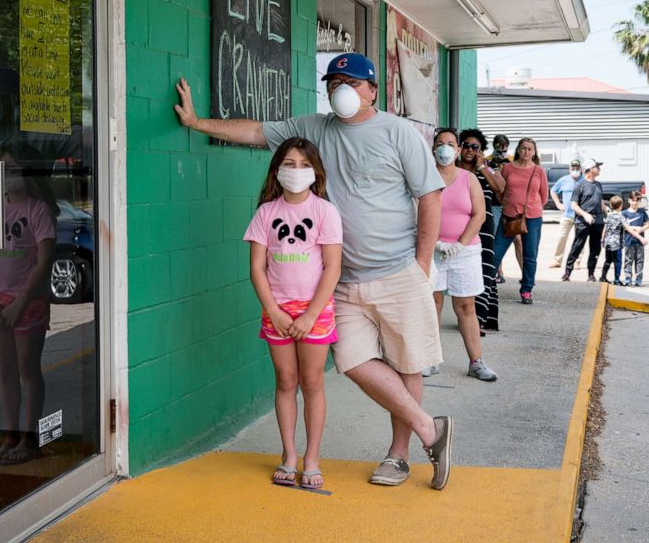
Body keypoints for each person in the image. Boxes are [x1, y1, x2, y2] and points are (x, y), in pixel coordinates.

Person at [174, 52, 454, 490]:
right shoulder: (313, 129)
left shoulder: (398, 132)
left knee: (408, 363)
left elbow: (430, 197)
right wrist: (196, 123)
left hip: (398, 270)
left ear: (373, 90)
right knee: (351, 361)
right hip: (340, 281)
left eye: (353, 82)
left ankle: (399, 456)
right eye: (334, 81)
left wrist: (421, 266)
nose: (342, 89)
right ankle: (429, 427)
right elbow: (254, 131)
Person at [243, 137, 343, 490]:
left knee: (312, 381)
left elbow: (332, 268)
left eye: (303, 165)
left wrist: (310, 316)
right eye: (289, 163)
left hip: (314, 311)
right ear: (277, 170)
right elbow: (257, 267)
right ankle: (289, 455)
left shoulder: (325, 212)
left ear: (315, 172)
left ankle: (312, 459)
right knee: (286, 381)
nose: (296, 171)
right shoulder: (266, 213)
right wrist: (273, 310)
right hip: (277, 310)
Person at [0, 145, 56, 465]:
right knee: (5, 371)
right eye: (3, 169)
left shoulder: (37, 210)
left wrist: (20, 304)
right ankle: (10, 435)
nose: (9, 176)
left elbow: (43, 262)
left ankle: (30, 440)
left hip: (28, 301)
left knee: (27, 368)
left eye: (14, 168)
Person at [425, 128, 497, 381]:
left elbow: (479, 214)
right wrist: (432, 242)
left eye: (450, 144)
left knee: (466, 307)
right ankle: (429, 360)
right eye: (440, 143)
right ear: (433, 148)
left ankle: (476, 361)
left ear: (457, 150)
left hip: (464, 252)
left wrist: (460, 244)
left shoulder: (468, 179)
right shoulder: (424, 177)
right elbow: (414, 211)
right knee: (431, 304)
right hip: (431, 250)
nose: (445, 148)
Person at [457, 128, 505, 332]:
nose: (469, 149)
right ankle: (468, 315)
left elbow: (500, 188)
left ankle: (479, 318)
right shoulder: (453, 168)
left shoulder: (488, 168)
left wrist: (481, 167)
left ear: (481, 150)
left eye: (474, 147)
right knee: (464, 271)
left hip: (484, 226)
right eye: (466, 145)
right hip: (459, 226)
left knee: (485, 269)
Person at [493, 138, 548, 304]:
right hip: (509, 216)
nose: (526, 152)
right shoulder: (508, 168)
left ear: (534, 152)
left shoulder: (538, 171)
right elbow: (500, 191)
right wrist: (509, 203)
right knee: (496, 252)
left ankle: (526, 290)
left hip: (532, 218)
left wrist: (531, 207)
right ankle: (485, 285)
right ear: (518, 150)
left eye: (530, 149)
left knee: (530, 255)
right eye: (523, 148)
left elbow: (543, 196)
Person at [563, 159, 605, 283]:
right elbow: (574, 205)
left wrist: (606, 210)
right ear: (589, 169)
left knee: (595, 248)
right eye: (597, 166)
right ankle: (567, 273)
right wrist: (585, 215)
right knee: (577, 246)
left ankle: (591, 274)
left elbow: (600, 200)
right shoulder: (579, 185)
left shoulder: (598, 184)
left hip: (597, 222)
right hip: (583, 221)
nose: (599, 169)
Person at [488, 135, 522, 283]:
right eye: (499, 146)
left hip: (510, 204)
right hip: (494, 203)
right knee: (495, 238)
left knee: (517, 238)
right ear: (494, 145)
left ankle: (525, 274)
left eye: (504, 146)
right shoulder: (488, 160)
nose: (501, 149)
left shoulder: (512, 160)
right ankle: (498, 272)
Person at [550, 159, 584, 269]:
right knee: (562, 237)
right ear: (569, 169)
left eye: (577, 168)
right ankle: (557, 260)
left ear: (581, 169)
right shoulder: (563, 180)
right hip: (567, 216)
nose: (575, 170)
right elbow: (553, 191)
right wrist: (558, 204)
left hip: (580, 216)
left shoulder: (584, 180)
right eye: (573, 168)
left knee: (579, 239)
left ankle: (577, 261)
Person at [621, 191, 649, 287]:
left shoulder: (642, 212)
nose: (635, 202)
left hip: (639, 242)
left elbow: (648, 224)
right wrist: (635, 229)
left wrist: (641, 229)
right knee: (628, 260)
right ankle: (628, 279)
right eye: (633, 200)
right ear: (629, 200)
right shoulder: (624, 213)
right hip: (628, 241)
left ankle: (638, 279)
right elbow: (626, 227)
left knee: (639, 260)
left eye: (637, 200)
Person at [600, 196, 625, 284]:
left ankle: (603, 277)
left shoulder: (609, 216)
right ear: (621, 206)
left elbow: (605, 229)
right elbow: (627, 227)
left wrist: (602, 240)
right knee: (617, 262)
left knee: (608, 260)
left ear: (610, 205)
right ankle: (617, 279)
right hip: (617, 244)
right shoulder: (621, 217)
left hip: (608, 243)